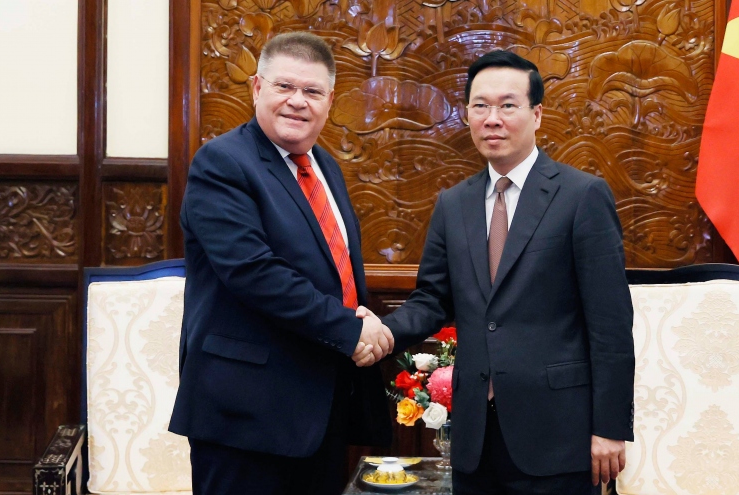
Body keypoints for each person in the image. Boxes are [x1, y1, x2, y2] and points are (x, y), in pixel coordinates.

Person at [373, 50, 636, 494]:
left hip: (559, 435)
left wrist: (609, 427)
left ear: (537, 114)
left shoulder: (582, 196)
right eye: (480, 106)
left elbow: (610, 323)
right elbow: (432, 300)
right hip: (476, 437)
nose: (492, 119)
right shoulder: (453, 204)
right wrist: (382, 331)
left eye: (507, 105)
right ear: (467, 115)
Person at [169, 32, 393, 495]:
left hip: (319, 409)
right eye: (284, 86)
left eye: (312, 91)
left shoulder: (325, 166)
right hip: (245, 415)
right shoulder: (222, 163)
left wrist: (360, 323)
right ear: (257, 88)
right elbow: (253, 272)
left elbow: (334, 271)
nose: (297, 101)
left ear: (329, 101)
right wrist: (351, 328)